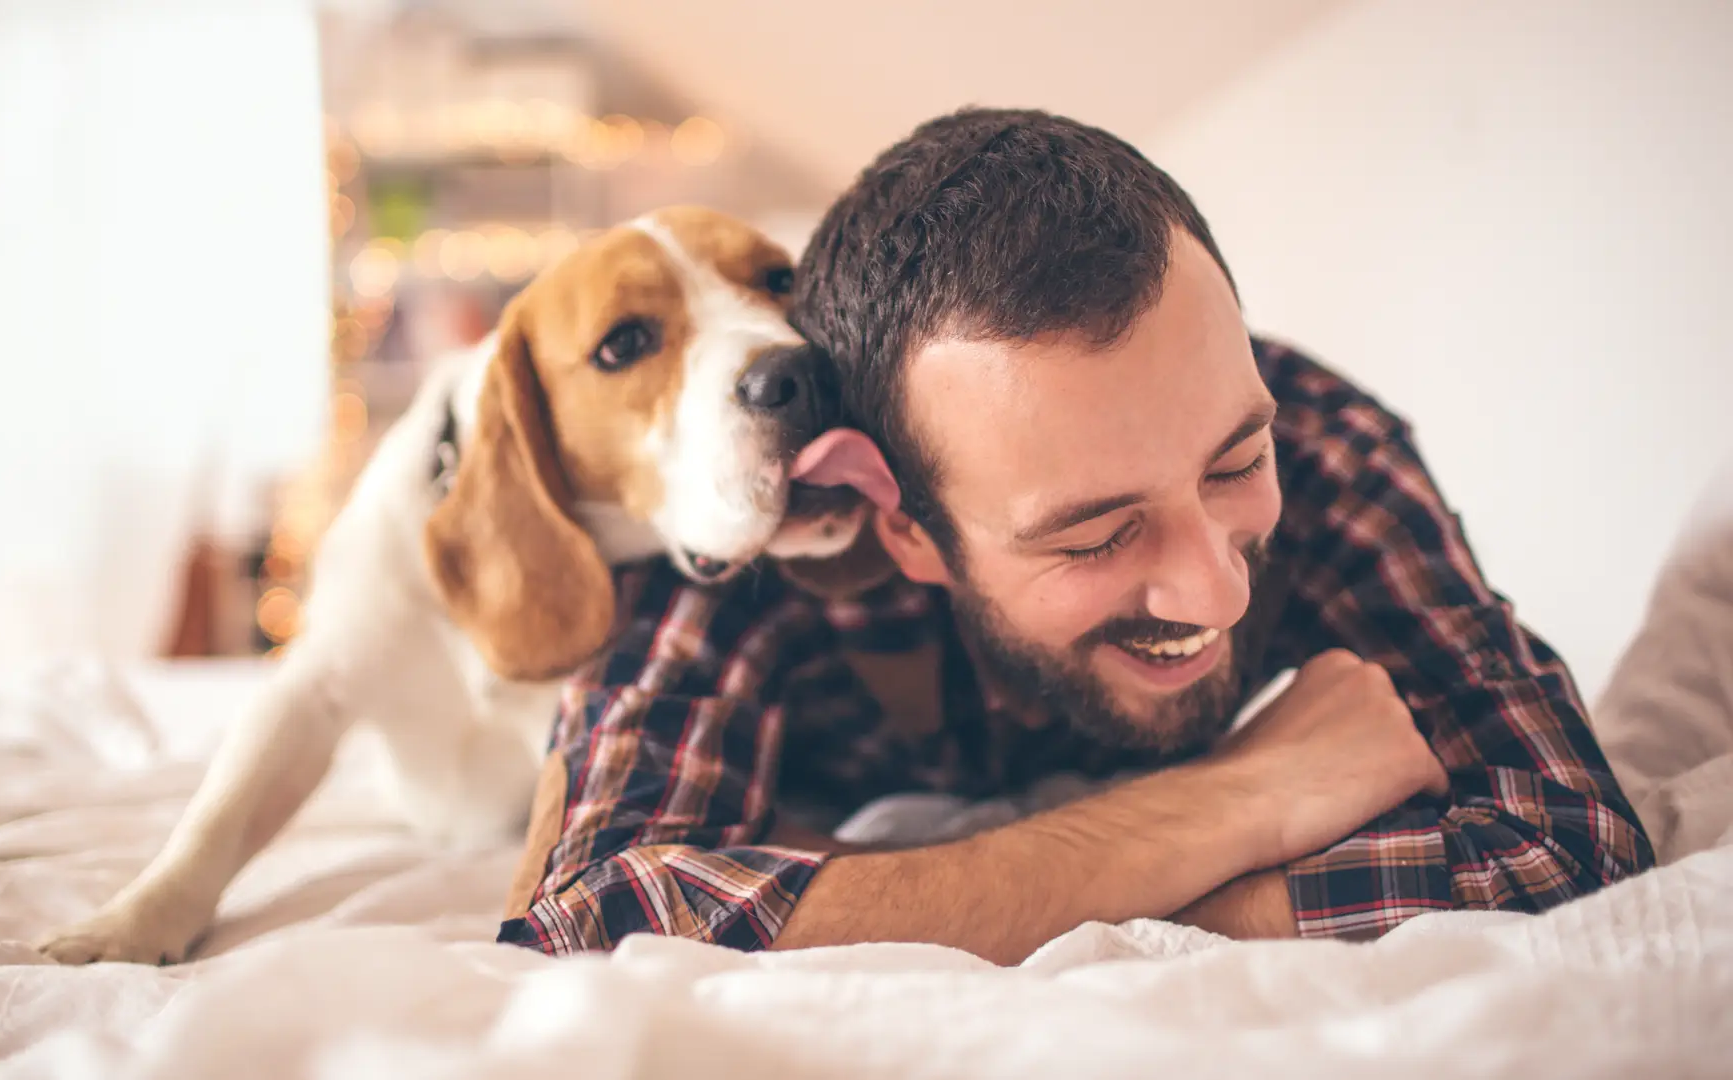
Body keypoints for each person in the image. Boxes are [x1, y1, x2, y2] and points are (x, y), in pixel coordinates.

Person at [497, 109, 1653, 964]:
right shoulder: (762, 526)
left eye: (1236, 465)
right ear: (901, 527)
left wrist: (917, 905)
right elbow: (589, 924)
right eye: (1095, 537)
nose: (1216, 592)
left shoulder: (1324, 440)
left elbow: (1565, 840)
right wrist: (1237, 801)